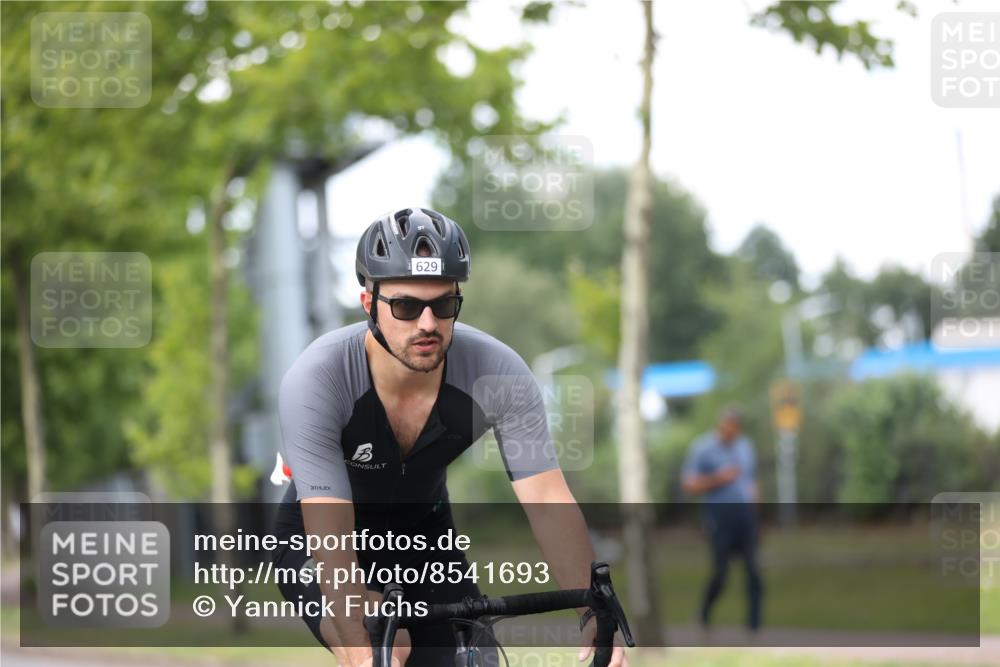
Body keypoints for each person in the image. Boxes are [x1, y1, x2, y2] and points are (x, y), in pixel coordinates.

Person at [272, 208, 628, 667]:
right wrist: (361, 635)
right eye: (405, 306)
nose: (427, 323)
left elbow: (545, 499)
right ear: (368, 304)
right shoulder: (319, 379)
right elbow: (331, 535)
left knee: (473, 661)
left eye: (443, 305)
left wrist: (591, 612)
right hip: (319, 537)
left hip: (425, 534)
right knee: (384, 646)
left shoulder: (497, 372)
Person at [681, 406, 763, 636]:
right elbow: (689, 484)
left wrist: (757, 516)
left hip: (745, 517)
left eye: (736, 427)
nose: (732, 431)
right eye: (728, 426)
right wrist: (720, 478)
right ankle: (704, 614)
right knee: (721, 572)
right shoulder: (703, 448)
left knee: (753, 571)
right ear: (721, 425)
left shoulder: (746, 446)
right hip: (719, 517)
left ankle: (754, 626)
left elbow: (752, 481)